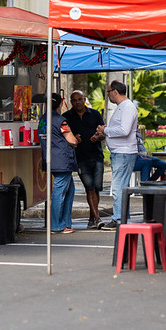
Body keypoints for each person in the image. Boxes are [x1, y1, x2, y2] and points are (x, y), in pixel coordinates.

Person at [96, 80, 138, 230]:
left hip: (123, 152)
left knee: (118, 187)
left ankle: (119, 218)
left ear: (115, 92)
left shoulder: (127, 107)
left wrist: (105, 130)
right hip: (120, 152)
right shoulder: (123, 107)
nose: (107, 96)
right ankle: (123, 217)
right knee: (121, 187)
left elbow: (124, 130)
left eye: (108, 92)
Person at [62, 90, 106, 229]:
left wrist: (97, 137)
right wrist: (74, 140)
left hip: (97, 156)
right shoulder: (66, 117)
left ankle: (92, 218)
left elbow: (103, 134)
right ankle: (97, 218)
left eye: (80, 99)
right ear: (71, 102)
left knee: (96, 188)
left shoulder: (95, 114)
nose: (77, 102)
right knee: (89, 188)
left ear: (84, 99)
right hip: (80, 158)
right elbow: (64, 137)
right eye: (74, 100)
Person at [39, 93, 78, 234]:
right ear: (60, 104)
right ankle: (56, 225)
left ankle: (66, 222)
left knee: (70, 190)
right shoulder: (61, 121)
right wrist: (76, 141)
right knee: (59, 192)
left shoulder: (42, 120)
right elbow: (71, 140)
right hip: (62, 160)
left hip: (50, 158)